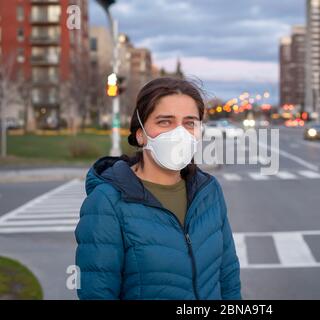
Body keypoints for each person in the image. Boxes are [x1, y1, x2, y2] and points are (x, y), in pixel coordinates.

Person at [75, 77, 241, 300]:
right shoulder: (108, 202)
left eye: (190, 123)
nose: (179, 133)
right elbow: (98, 293)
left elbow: (228, 277)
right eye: (165, 122)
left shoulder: (209, 192)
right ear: (140, 133)